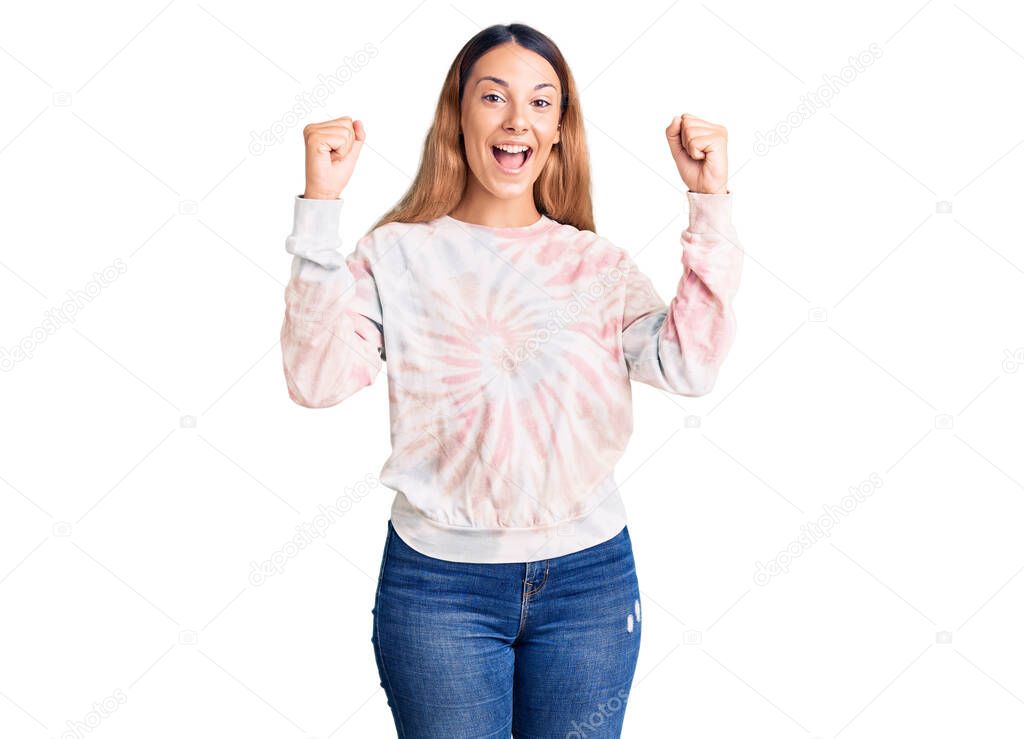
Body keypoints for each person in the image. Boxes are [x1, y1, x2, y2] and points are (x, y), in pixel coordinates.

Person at [280, 22, 743, 739]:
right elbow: (315, 380)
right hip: (439, 589)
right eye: (493, 96)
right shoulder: (397, 255)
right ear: (457, 116)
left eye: (540, 102)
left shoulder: (596, 266)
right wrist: (319, 208)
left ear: (559, 129)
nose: (516, 119)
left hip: (589, 584)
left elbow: (689, 363)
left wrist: (709, 200)